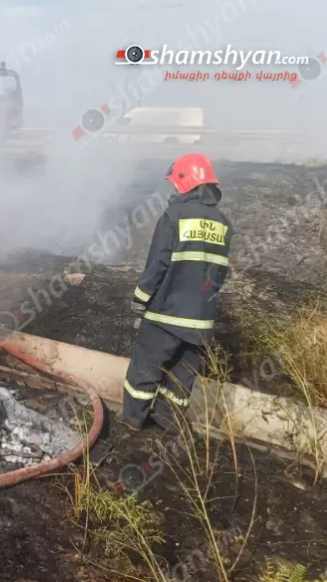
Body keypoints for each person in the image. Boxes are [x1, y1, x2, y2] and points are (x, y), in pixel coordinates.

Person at [121, 153, 233, 433]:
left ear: (185, 181)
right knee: (182, 376)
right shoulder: (223, 223)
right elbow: (219, 273)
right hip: (202, 321)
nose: (174, 187)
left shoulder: (174, 216)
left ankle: (133, 421)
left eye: (175, 182)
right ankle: (168, 423)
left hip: (166, 314)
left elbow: (158, 263)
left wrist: (141, 297)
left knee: (145, 368)